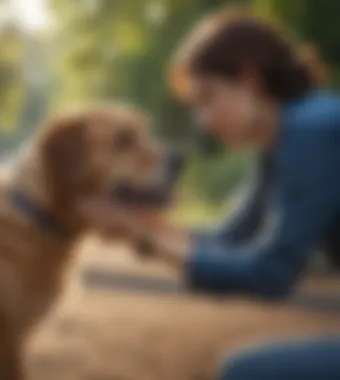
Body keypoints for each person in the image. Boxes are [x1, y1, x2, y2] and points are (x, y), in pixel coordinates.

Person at [135, 7, 340, 380]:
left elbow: (272, 273)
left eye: (208, 98)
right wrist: (142, 226)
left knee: (245, 373)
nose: (204, 120)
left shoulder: (312, 133)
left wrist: (147, 241)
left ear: (249, 78)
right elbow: (231, 238)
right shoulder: (284, 136)